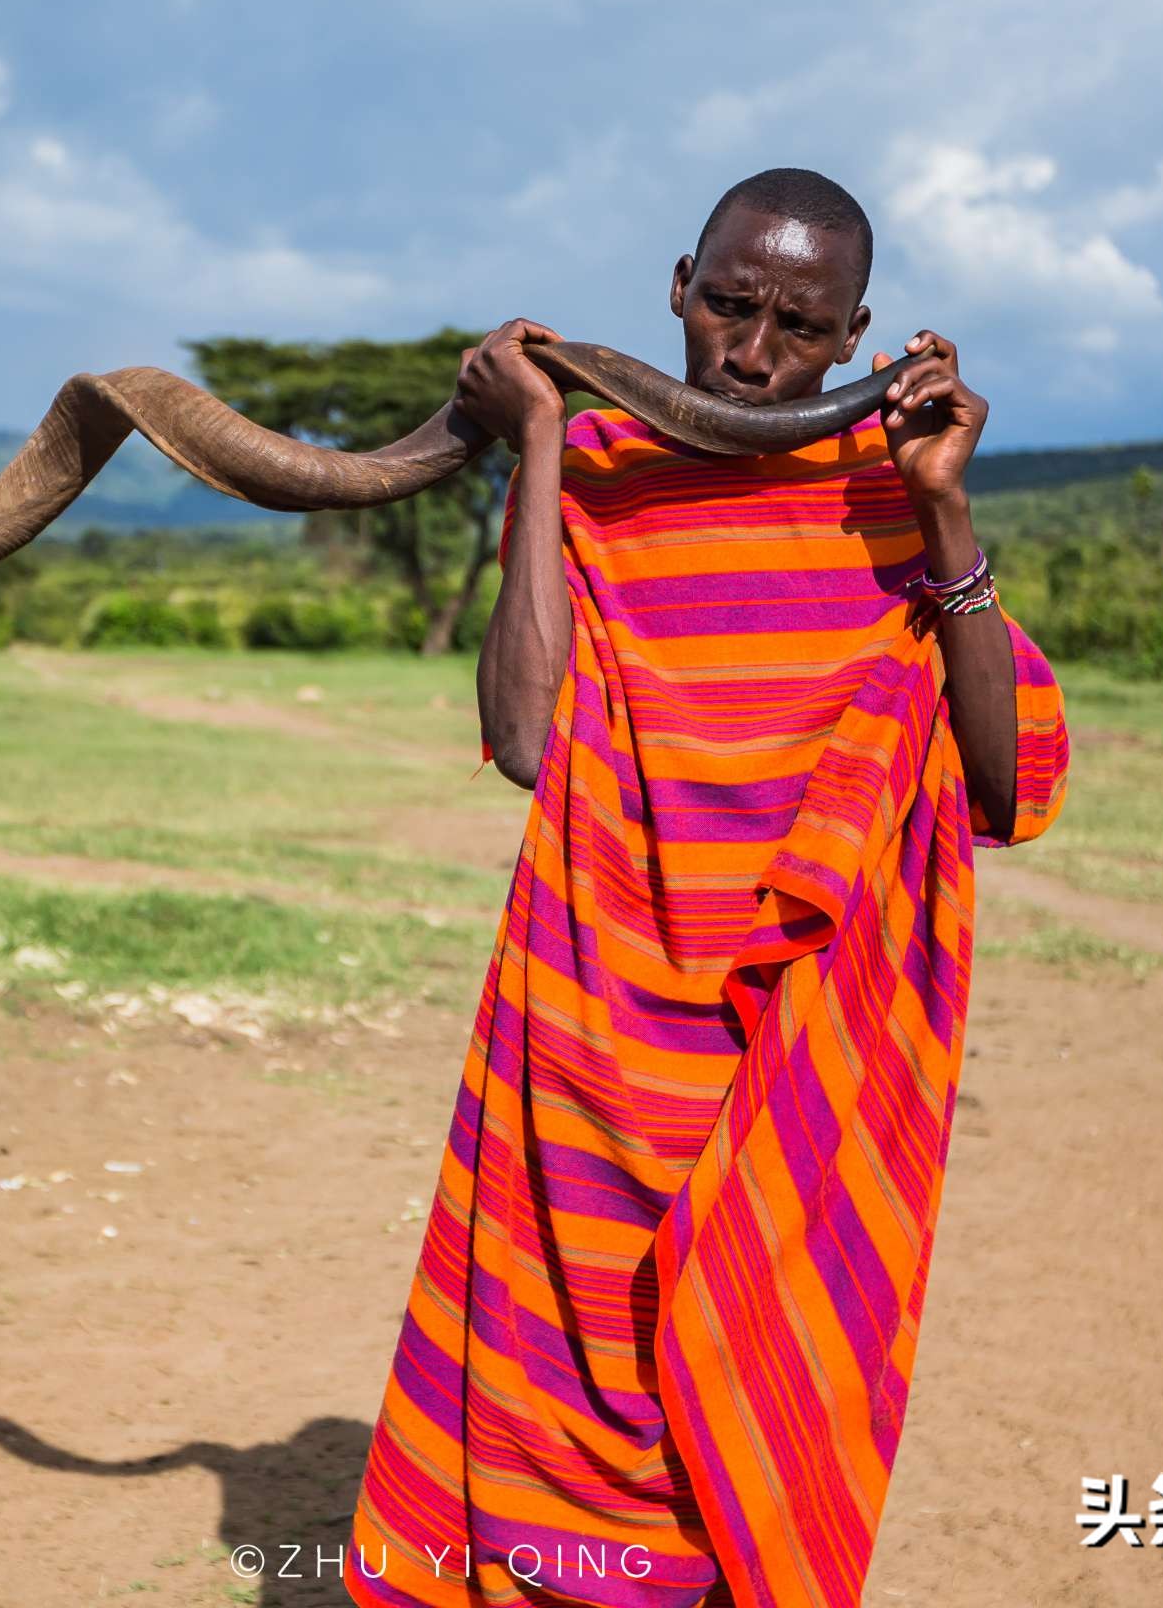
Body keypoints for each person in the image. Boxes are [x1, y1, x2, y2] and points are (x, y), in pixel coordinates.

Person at [346, 169, 1070, 1608]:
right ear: (678, 286)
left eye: (799, 328)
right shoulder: (601, 473)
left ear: (855, 333)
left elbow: (1007, 787)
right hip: (593, 1030)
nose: (752, 355)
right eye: (730, 307)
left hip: (800, 1058)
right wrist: (540, 440)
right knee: (558, 1375)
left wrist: (943, 515)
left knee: (745, 1387)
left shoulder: (889, 496)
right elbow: (524, 737)